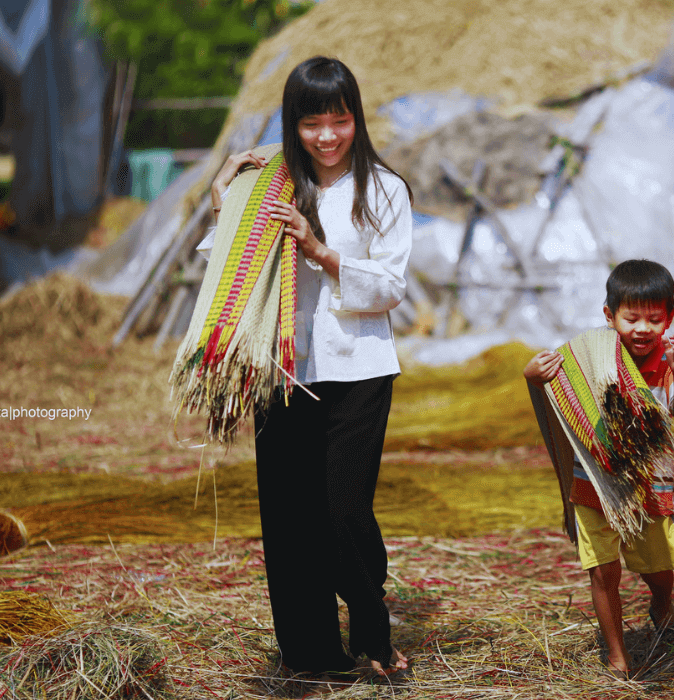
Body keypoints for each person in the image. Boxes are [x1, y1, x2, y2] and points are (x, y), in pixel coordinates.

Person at [200, 56, 412, 682]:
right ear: (292, 124)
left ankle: (373, 629)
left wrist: (320, 252)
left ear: (356, 120)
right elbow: (228, 268)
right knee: (290, 519)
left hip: (359, 367)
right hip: (283, 368)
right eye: (312, 122)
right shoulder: (271, 182)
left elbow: (392, 284)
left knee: (343, 514)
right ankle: (312, 657)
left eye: (339, 120)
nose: (326, 136)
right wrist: (224, 205)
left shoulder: (384, 190)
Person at [523, 259, 674, 679]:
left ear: (670, 318)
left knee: (658, 568)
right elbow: (554, 387)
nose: (642, 329)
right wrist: (532, 376)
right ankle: (617, 655)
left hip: (649, 489)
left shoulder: (671, 359)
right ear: (610, 316)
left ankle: (660, 603)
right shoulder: (589, 355)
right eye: (631, 318)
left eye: (654, 319)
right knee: (603, 571)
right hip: (593, 485)